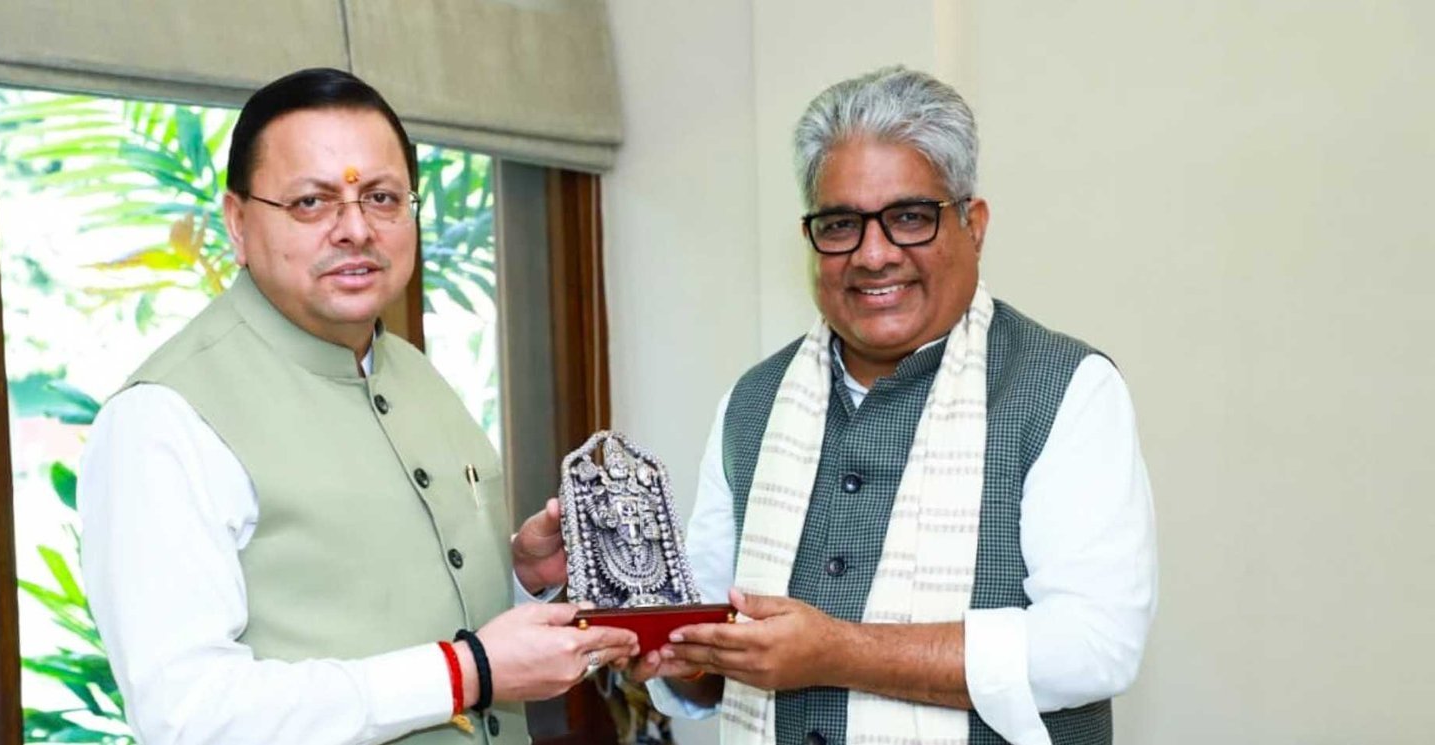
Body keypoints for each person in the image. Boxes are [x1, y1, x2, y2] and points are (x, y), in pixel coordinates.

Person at [78, 67, 637, 745]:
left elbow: (406, 609)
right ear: (237, 222)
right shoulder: (162, 418)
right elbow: (190, 715)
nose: (355, 229)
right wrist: (466, 672)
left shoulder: (414, 373)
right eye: (311, 202)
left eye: (381, 197)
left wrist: (520, 578)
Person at [629, 65, 1157, 745]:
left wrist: (839, 652)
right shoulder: (752, 404)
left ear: (974, 225)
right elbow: (707, 656)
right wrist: (673, 655)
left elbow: (1095, 645)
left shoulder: (1065, 389)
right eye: (841, 224)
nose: (873, 255)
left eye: (909, 218)